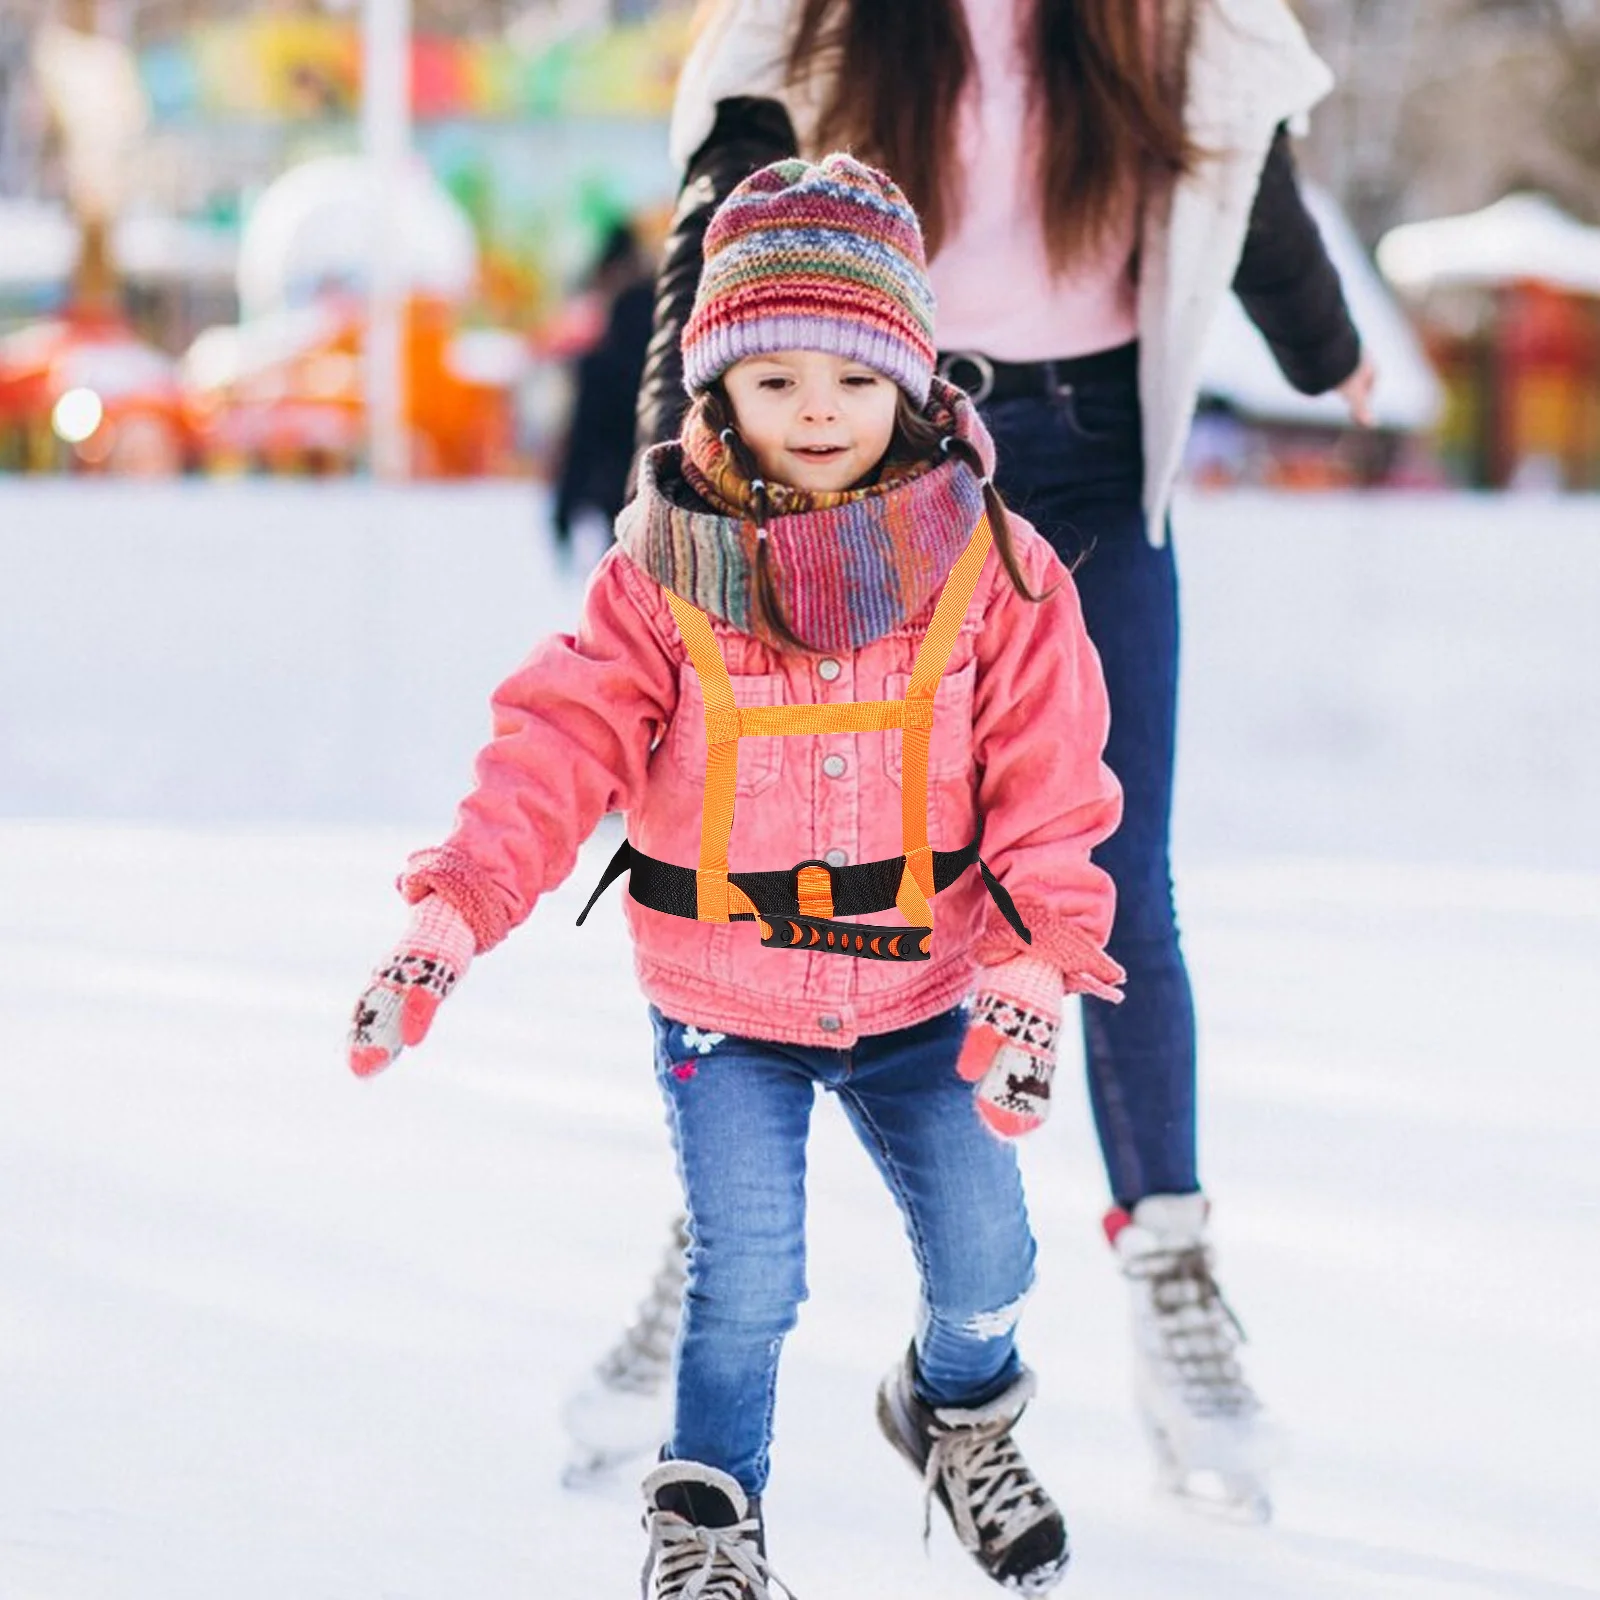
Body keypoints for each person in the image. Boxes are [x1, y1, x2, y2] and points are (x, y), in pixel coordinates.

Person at [564, 0, 1376, 1521]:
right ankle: (709, 1246)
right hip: (858, 444)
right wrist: (666, 493)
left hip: (1091, 442)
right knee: (783, 835)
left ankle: (1173, 1273)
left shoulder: (1162, 19)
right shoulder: (815, 23)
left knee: (1114, 878)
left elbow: (1244, 167)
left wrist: (1323, 348)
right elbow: (720, 229)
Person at [348, 153, 1126, 1596]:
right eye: (772, 380)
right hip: (726, 1004)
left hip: (932, 993)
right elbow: (558, 745)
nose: (815, 408)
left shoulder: (992, 569)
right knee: (747, 1279)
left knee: (989, 1261)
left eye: (849, 373)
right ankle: (707, 1526)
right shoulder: (661, 570)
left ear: (912, 376)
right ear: (715, 391)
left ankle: (955, 1414)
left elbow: (1051, 779)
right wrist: (450, 915)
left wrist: (1030, 961)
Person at [550, 221, 657, 563]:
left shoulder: (600, 368)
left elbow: (582, 441)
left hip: (619, 513)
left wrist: (564, 511)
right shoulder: (679, 370)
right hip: (667, 517)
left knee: (626, 601)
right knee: (676, 604)